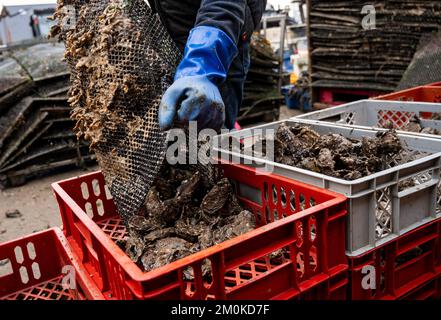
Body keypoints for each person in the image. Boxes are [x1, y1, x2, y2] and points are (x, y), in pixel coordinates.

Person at [150, 0, 267, 131]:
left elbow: (223, 5)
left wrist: (201, 64)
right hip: (177, 43)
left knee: (209, 136)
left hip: (220, 48)